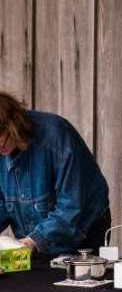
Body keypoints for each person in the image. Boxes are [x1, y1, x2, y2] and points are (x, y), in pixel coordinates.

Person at [0, 92, 110, 256]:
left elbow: (71, 206)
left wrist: (33, 240)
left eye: (2, 143)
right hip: (31, 240)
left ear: (13, 126)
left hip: (83, 231)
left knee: (74, 278)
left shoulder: (56, 135)